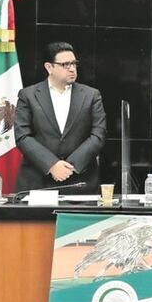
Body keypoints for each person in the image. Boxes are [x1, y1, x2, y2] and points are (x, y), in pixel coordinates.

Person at [14, 42, 107, 192]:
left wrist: (70, 166)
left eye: (74, 64)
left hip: (80, 180)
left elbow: (98, 134)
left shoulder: (91, 95)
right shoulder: (28, 95)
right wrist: (52, 165)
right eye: (65, 64)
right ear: (49, 67)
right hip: (38, 180)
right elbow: (22, 136)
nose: (72, 69)